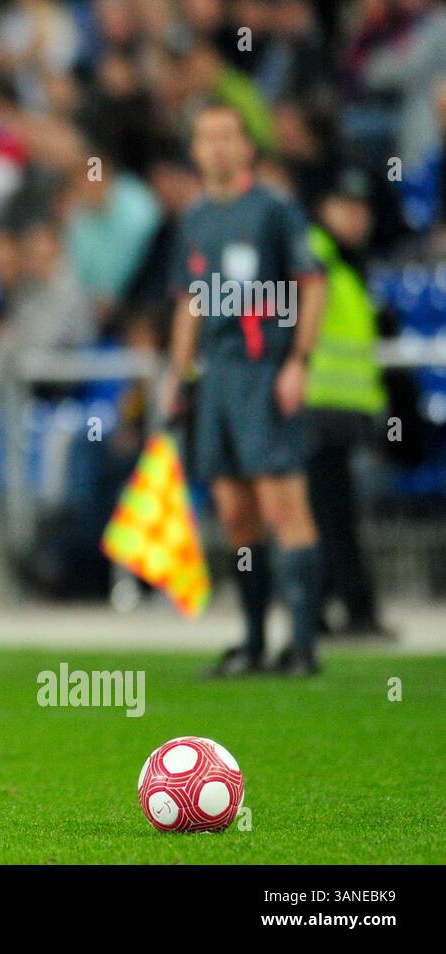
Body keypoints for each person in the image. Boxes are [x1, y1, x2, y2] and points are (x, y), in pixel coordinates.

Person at [160, 103, 327, 677]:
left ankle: (303, 644)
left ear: (247, 147)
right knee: (236, 514)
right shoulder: (195, 217)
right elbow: (189, 302)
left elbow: (313, 284)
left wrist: (298, 362)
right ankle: (254, 641)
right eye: (206, 137)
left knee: (286, 505)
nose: (218, 147)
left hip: (266, 368)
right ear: (196, 150)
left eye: (228, 136)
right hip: (218, 378)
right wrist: (178, 375)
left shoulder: (275, 209)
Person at [304, 171, 391, 639]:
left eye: (363, 208)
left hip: (340, 412)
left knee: (332, 515)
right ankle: (339, 612)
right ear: (325, 209)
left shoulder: (347, 265)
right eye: (347, 206)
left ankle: (328, 612)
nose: (358, 217)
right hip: (316, 407)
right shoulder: (315, 254)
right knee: (326, 517)